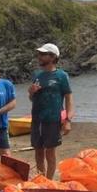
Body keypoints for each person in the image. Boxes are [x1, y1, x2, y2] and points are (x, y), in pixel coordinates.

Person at [28, 43, 74, 179]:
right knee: (38, 152)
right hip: (37, 120)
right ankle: (41, 180)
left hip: (52, 119)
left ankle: (49, 180)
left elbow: (69, 99)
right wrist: (31, 92)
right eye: (39, 54)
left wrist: (68, 120)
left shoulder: (61, 76)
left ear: (53, 57)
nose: (39, 57)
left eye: (43, 54)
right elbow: (32, 98)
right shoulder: (37, 76)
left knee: (50, 152)